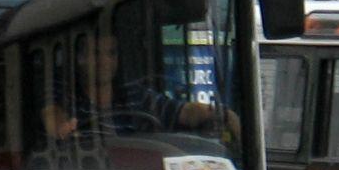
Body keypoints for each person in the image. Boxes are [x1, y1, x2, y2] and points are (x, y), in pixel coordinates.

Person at [44, 32, 228, 142]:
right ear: (79, 58)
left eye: (111, 53)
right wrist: (61, 127)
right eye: (96, 53)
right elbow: (52, 114)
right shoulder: (66, 93)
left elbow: (184, 112)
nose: (104, 61)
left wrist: (224, 115)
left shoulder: (135, 95)